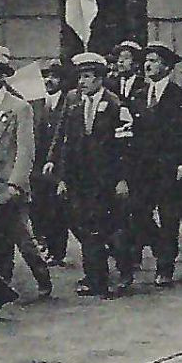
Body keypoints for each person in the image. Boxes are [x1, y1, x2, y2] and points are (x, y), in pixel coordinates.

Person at [45, 51, 132, 297]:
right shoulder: (73, 101)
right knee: (85, 227)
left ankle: (123, 272)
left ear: (99, 79)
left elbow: (125, 147)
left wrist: (122, 179)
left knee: (111, 227)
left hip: (107, 178)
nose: (82, 82)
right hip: (80, 178)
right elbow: (64, 140)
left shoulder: (115, 104)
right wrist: (60, 172)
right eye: (81, 77)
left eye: (88, 77)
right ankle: (95, 277)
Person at [0, 45, 50, 310]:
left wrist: (16, 183)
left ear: (3, 73)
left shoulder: (19, 107)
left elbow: (26, 149)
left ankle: (42, 276)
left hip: (9, 184)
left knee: (21, 237)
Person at [124, 41, 182, 288]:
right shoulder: (139, 95)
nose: (147, 65)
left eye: (153, 61)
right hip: (142, 168)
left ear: (166, 66)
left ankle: (165, 266)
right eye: (147, 60)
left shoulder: (179, 96)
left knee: (169, 217)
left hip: (169, 167)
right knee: (139, 213)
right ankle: (160, 246)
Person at [29, 60, 72, 267]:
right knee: (37, 207)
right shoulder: (36, 102)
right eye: (46, 75)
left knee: (57, 210)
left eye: (54, 76)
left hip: (57, 164)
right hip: (37, 165)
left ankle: (57, 251)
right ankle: (43, 244)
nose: (49, 79)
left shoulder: (69, 102)